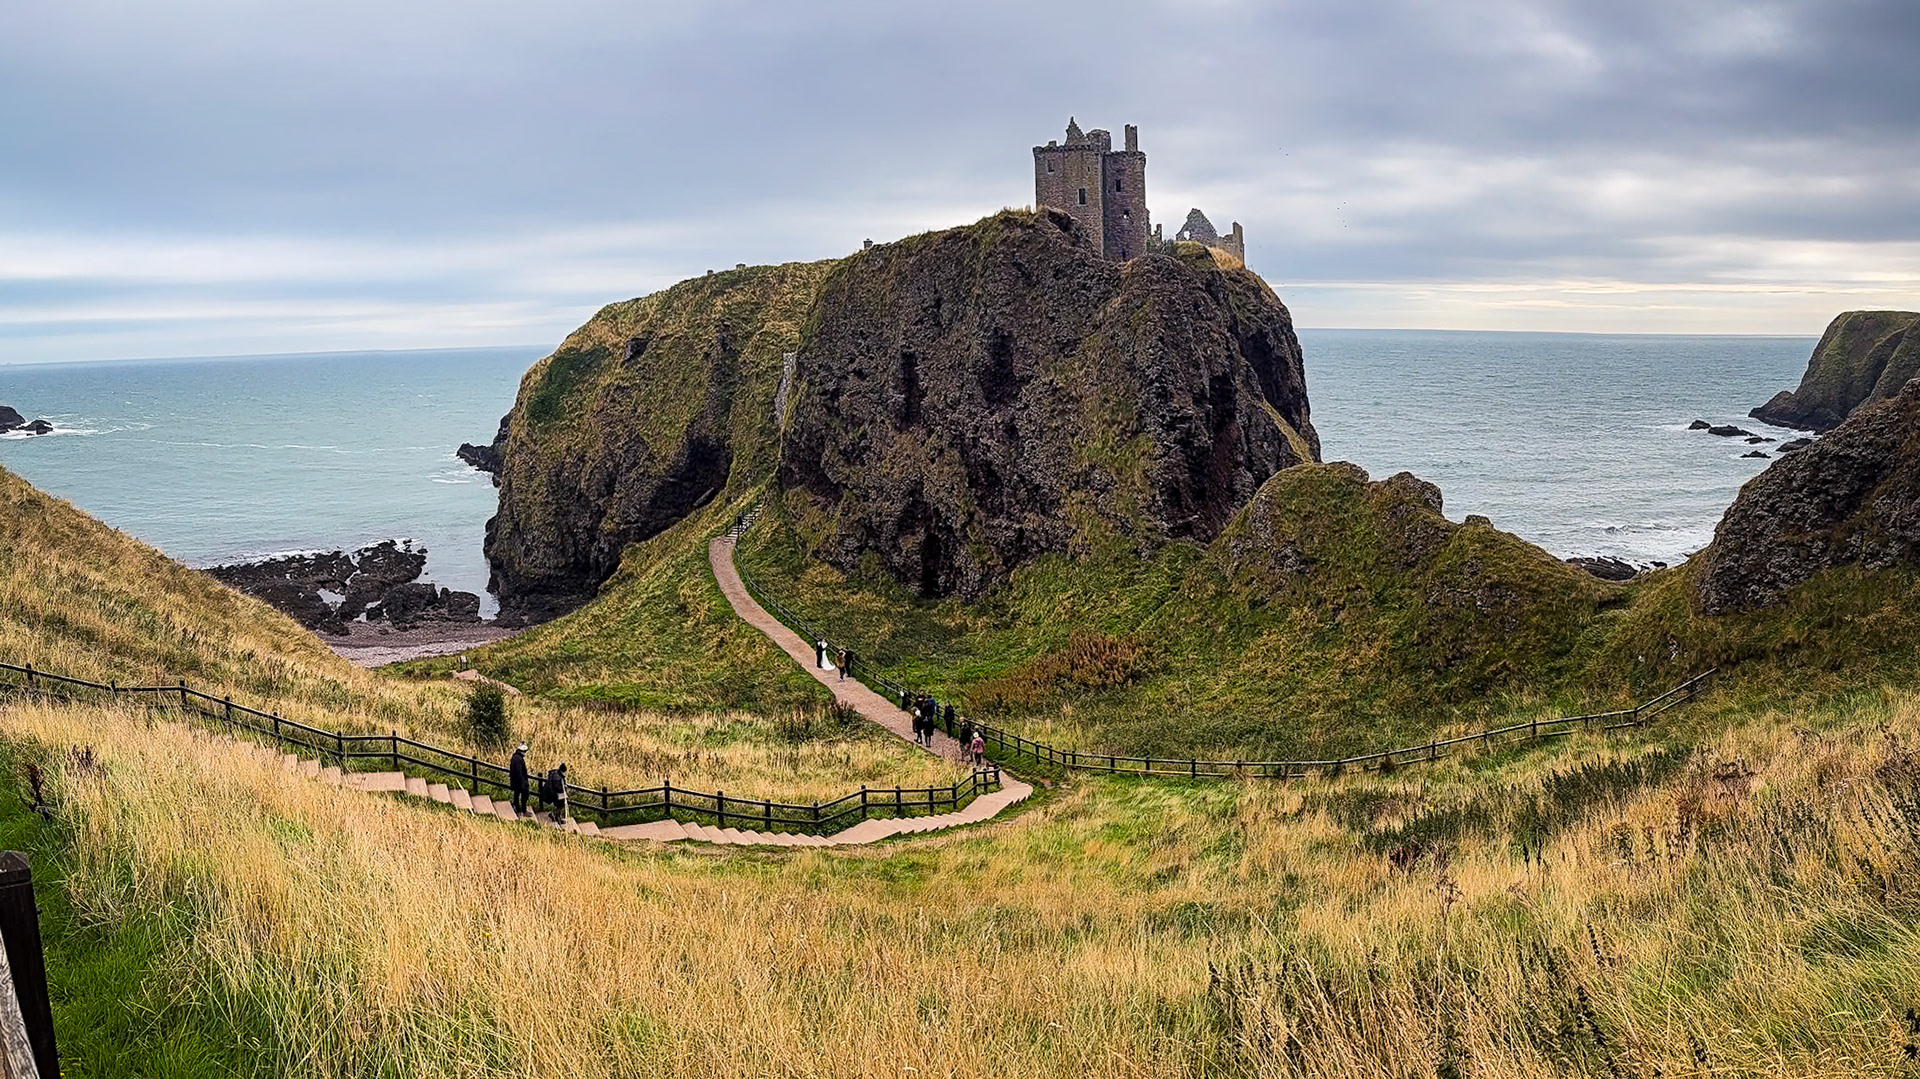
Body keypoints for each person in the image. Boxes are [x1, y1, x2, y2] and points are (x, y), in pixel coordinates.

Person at [508, 742, 531, 816]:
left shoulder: (515, 757)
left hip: (515, 780)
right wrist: (523, 783)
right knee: (525, 795)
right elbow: (519, 772)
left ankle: (517, 807)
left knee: (516, 794)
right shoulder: (519, 760)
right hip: (519, 781)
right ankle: (523, 810)